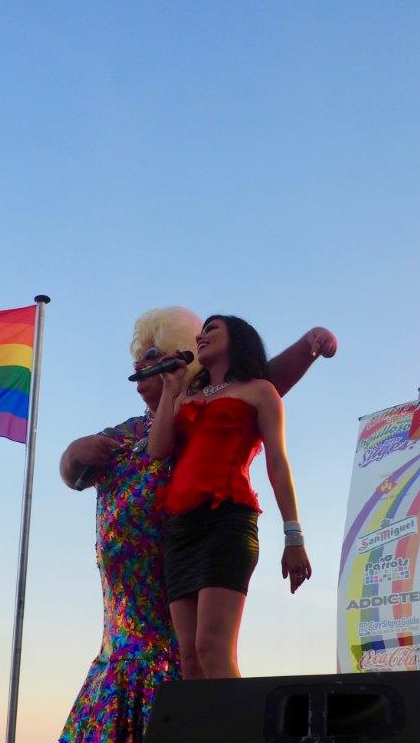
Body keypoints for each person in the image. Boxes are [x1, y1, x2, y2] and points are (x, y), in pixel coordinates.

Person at [58, 307, 336, 742]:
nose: (142, 367)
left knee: (211, 651)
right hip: (139, 602)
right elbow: (89, 470)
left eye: (154, 355)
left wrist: (309, 344)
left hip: (216, 530)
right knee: (192, 659)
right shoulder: (151, 419)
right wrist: (73, 452)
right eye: (139, 360)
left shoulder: (236, 395)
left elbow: (264, 393)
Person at [148, 314, 311, 681]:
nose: (200, 337)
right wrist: (171, 389)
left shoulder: (260, 390)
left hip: (227, 520)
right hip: (180, 530)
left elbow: (278, 464)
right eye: (200, 332)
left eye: (211, 329)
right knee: (189, 658)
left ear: (237, 338)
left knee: (212, 648)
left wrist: (294, 536)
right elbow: (157, 450)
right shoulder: (185, 395)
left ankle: (237, 716)